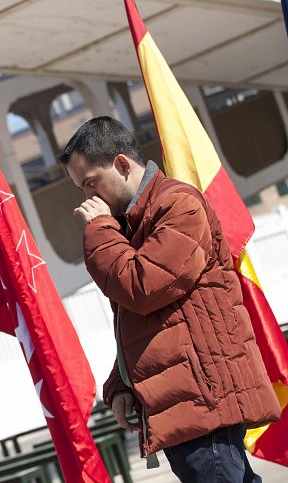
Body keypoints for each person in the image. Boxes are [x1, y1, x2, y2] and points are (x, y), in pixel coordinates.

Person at [60, 116, 280, 482]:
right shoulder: (133, 222)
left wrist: (100, 231)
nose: (89, 199)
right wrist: (121, 384)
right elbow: (148, 323)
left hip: (203, 403)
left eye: (91, 183)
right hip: (188, 405)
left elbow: (142, 288)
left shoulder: (178, 206)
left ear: (122, 164)